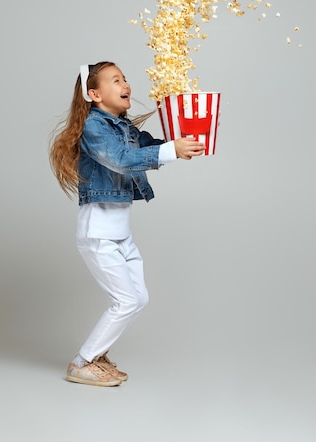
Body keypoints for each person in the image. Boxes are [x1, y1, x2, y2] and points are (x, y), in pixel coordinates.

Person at [49, 61, 204, 387]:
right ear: (94, 94)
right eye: (115, 79)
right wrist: (169, 152)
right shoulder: (95, 127)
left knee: (139, 298)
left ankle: (98, 355)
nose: (125, 83)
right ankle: (82, 362)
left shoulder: (123, 126)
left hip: (120, 234)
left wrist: (180, 142)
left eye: (124, 78)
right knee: (127, 300)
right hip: (98, 234)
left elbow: (145, 145)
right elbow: (120, 159)